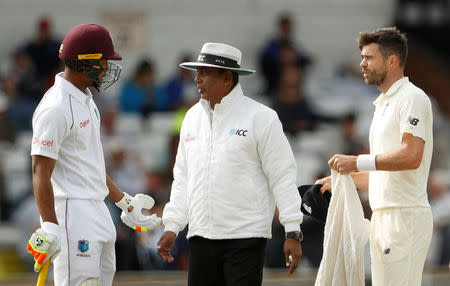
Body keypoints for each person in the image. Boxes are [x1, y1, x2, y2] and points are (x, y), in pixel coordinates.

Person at [157, 43, 303, 285]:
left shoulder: (262, 118)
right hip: (200, 235)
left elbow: (282, 175)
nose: (196, 79)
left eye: (204, 73)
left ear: (227, 78)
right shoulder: (191, 118)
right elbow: (183, 177)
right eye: (197, 72)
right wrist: (173, 225)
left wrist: (293, 230)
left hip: (246, 237)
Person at [26, 24, 161, 286]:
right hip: (72, 212)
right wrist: (50, 225)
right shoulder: (55, 108)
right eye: (104, 62)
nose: (108, 68)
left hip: (98, 209)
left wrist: (124, 202)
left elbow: (93, 164)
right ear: (84, 63)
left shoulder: (87, 99)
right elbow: (40, 171)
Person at [316, 27, 433, 286]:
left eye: (369, 57)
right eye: (362, 57)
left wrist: (356, 162)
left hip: (403, 216)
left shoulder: (412, 97)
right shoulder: (383, 104)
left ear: (392, 61)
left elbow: (411, 156)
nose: (362, 63)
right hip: (384, 216)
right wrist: (344, 181)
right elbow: (384, 173)